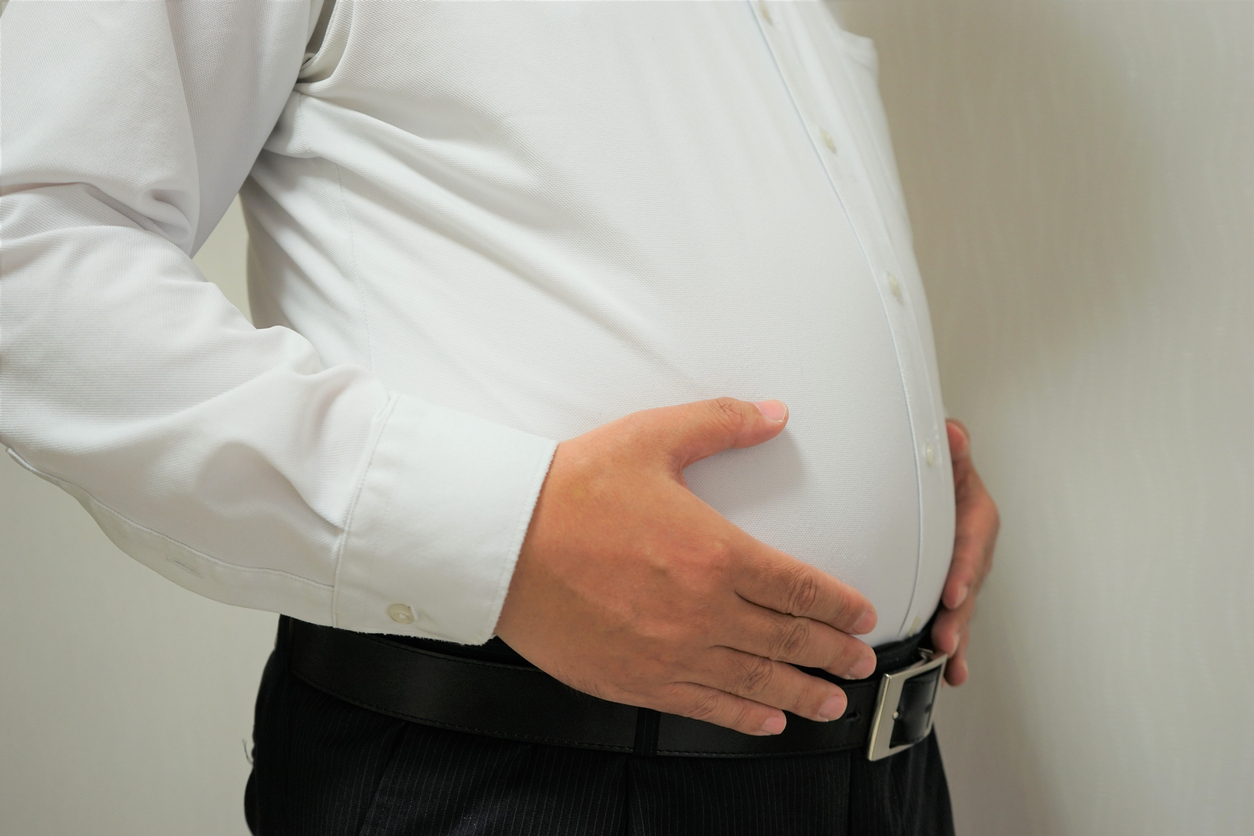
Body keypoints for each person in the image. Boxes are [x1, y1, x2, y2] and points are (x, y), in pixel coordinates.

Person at [1, 1, 999, 834]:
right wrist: (507, 534)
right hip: (527, 770)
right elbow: (27, 257)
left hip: (882, 776)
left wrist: (897, 468)